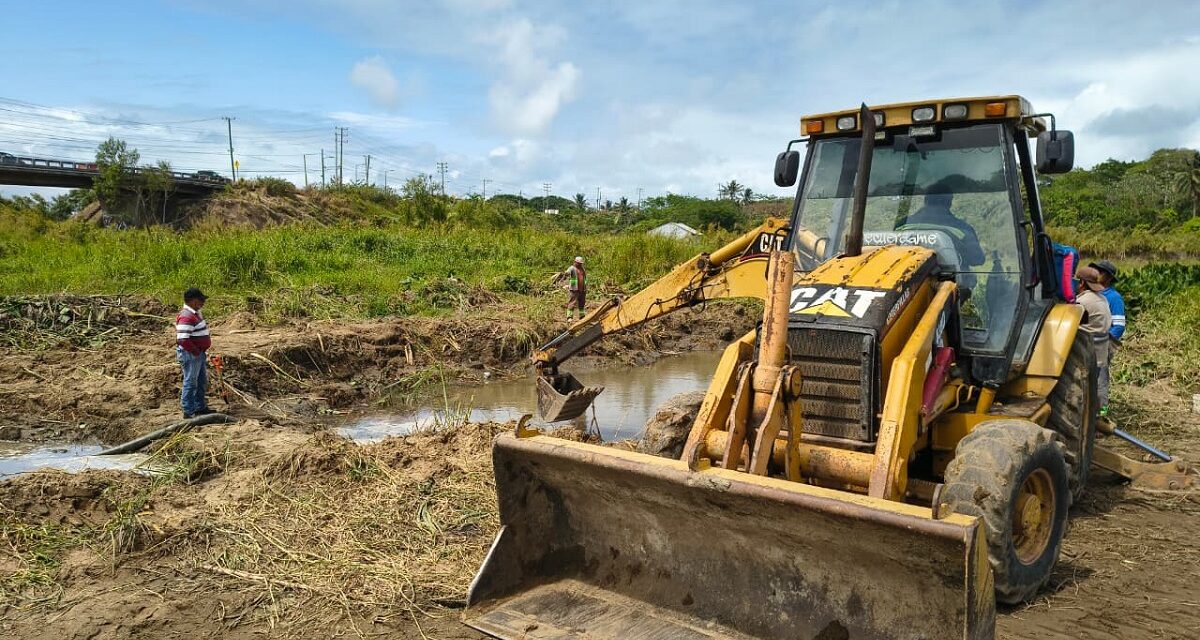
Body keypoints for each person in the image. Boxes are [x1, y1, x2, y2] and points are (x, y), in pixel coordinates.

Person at [900, 180, 986, 268]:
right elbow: (978, 259)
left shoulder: (902, 226)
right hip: (954, 276)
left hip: (903, 276)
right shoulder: (963, 229)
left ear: (926, 200)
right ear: (949, 202)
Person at [1090, 260, 1125, 417]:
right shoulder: (1092, 293)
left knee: (1100, 378)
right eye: (1096, 270)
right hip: (1089, 342)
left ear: (1109, 277)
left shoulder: (1114, 297)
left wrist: (1103, 341)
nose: (1097, 273)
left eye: (1101, 271)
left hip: (1103, 343)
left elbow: (1119, 326)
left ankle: (1101, 414)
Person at [1075, 267, 1112, 412]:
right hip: (1102, 352)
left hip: (1086, 352)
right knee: (1098, 385)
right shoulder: (1103, 299)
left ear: (1082, 283)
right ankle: (1100, 414)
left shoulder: (1082, 302)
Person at [176, 287, 213, 418]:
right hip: (191, 355)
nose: (203, 303)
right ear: (193, 301)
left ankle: (199, 407)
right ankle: (188, 411)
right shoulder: (186, 316)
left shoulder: (195, 313)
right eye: (201, 300)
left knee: (201, 381)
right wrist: (195, 352)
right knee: (191, 383)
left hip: (197, 354)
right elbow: (182, 339)